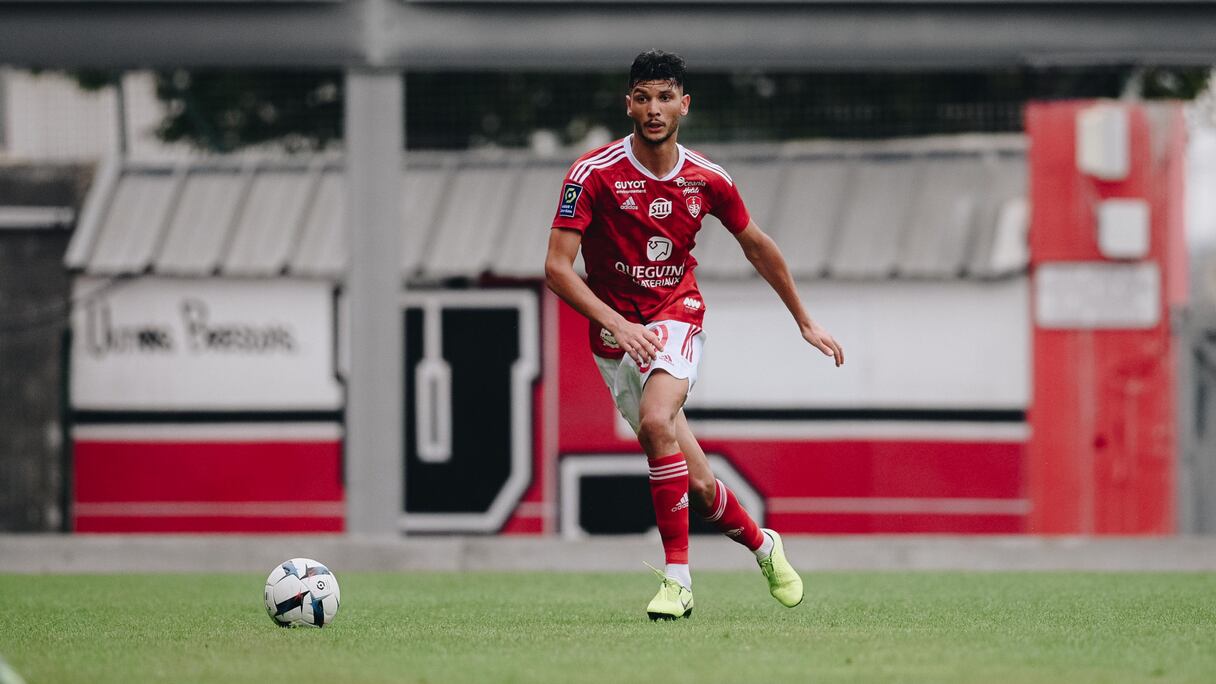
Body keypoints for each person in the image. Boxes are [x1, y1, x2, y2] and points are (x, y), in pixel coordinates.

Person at [544, 49, 844, 620]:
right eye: (643, 97)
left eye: (665, 97)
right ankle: (764, 544)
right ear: (627, 104)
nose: (654, 109)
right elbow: (557, 268)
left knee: (658, 420)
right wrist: (617, 323)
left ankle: (678, 580)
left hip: (676, 316)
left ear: (684, 104)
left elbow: (755, 242)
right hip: (617, 338)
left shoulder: (707, 179)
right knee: (701, 488)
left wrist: (803, 319)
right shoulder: (592, 174)